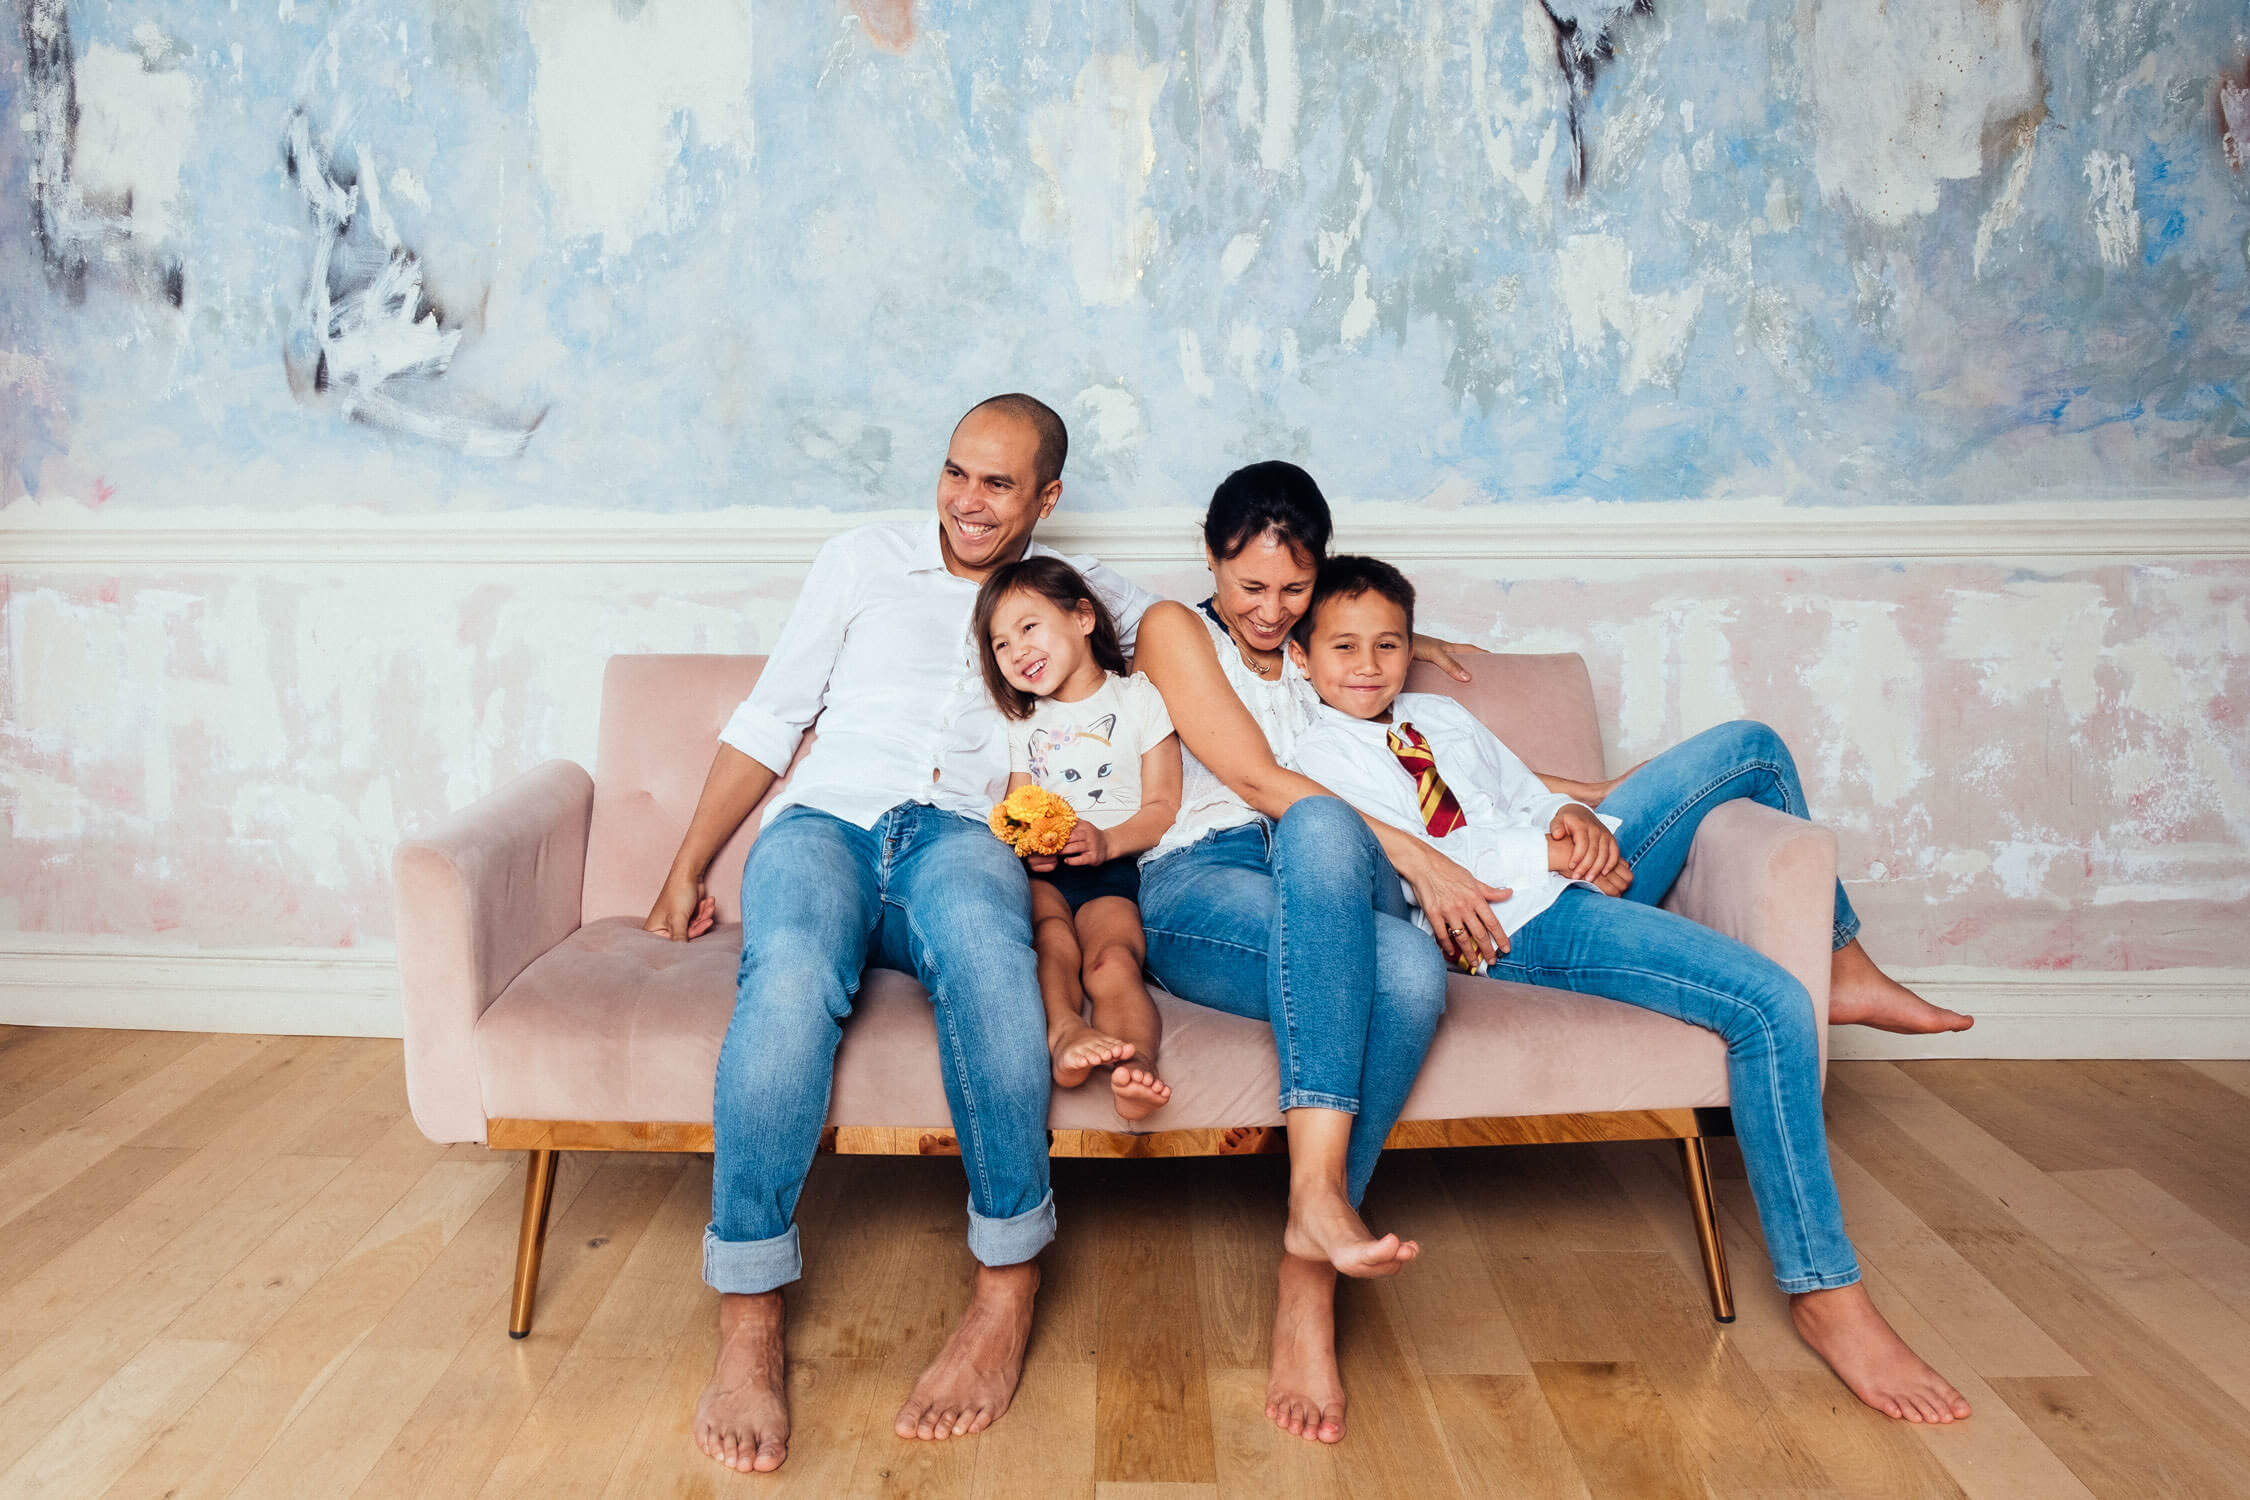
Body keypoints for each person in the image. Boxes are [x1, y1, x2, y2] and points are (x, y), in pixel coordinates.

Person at [1286, 555, 1973, 1424]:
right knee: (1768, 1004)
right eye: (1343, 646)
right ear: (1304, 658)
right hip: (1509, 924)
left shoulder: (1439, 715)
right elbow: (1422, 862)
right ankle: (1827, 1295)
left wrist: (1569, 821)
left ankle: (1845, 964)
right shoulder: (1309, 751)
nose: (1368, 663)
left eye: (1388, 643)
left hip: (1569, 866)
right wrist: (1555, 852)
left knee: (1751, 746)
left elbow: (1524, 799)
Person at [643, 394, 1162, 1473]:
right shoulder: (858, 560)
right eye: (956, 473)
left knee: (988, 962)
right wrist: (686, 864)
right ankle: (747, 1322)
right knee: (787, 979)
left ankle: (1006, 1287)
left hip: (961, 836)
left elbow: (1224, 631)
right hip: (825, 826)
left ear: (1046, 498)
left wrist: (1406, 644)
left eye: (1001, 484)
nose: (970, 503)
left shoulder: (1075, 596)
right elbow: (773, 715)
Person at [1130, 462, 1493, 1445]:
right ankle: (1319, 1208)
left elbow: (1362, 645)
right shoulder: (1175, 627)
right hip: (1202, 882)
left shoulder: (1308, 647)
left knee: (1413, 971)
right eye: (1249, 587)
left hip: (1319, 878)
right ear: (1211, 561)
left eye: (1294, 589)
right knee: (1325, 823)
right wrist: (1414, 856)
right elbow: (1251, 774)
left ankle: (1308, 1261)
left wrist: (1423, 646)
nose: (1269, 609)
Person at [974, 556, 1180, 1121]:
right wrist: (1029, 847)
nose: (1016, 651)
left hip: (1113, 863)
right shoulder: (1021, 720)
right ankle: (1065, 1033)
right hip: (1043, 872)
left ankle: (1137, 1062)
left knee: (1113, 959)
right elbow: (1016, 810)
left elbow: (1164, 805)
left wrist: (1109, 842)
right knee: (1050, 945)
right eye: (999, 644)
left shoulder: (1136, 697)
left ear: (1082, 617)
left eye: (1028, 628)